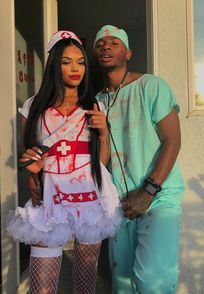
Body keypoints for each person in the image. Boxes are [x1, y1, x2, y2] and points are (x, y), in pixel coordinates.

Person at [6, 30, 121, 294]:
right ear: (54, 64)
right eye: (66, 61)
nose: (75, 69)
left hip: (89, 198)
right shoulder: (33, 106)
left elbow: (100, 164)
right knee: (41, 288)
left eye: (80, 62)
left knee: (85, 285)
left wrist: (103, 134)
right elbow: (31, 155)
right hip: (50, 196)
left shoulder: (93, 106)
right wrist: (31, 175)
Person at [93, 25, 185, 294]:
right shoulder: (98, 101)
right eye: (100, 44)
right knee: (122, 284)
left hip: (158, 197)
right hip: (121, 204)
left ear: (128, 52)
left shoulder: (151, 86)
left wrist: (148, 190)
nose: (106, 47)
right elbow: (103, 158)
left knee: (151, 281)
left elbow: (173, 141)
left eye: (114, 43)